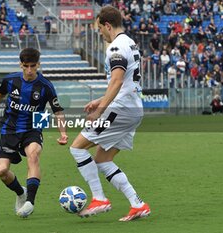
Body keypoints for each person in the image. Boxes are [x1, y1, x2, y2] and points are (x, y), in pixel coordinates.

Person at [69, 6, 150, 222]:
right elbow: (124, 82)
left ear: (107, 25)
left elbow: (116, 80)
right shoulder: (130, 43)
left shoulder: (115, 47)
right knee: (103, 160)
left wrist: (101, 110)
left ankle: (99, 199)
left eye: (99, 29)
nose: (100, 33)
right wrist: (99, 101)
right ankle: (138, 204)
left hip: (119, 111)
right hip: (132, 109)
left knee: (77, 148)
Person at [0, 48, 68, 218]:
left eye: (33, 66)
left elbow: (58, 111)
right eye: (26, 66)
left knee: (33, 155)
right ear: (20, 64)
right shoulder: (10, 80)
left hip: (33, 128)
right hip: (9, 129)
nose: (29, 70)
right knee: (2, 172)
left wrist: (63, 133)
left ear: (38, 64)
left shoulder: (46, 86)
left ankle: (30, 201)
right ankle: (21, 192)